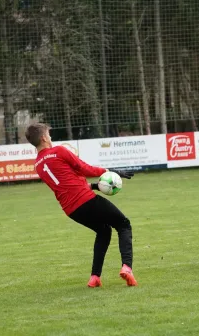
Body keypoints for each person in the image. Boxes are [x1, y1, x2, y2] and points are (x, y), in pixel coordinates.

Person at [25, 123, 138, 287]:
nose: (50, 137)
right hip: (86, 200)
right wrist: (110, 171)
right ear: (43, 138)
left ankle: (95, 277)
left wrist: (94, 186)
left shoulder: (38, 165)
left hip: (72, 210)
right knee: (123, 224)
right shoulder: (59, 151)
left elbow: (65, 184)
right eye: (48, 134)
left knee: (104, 231)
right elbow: (83, 168)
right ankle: (127, 267)